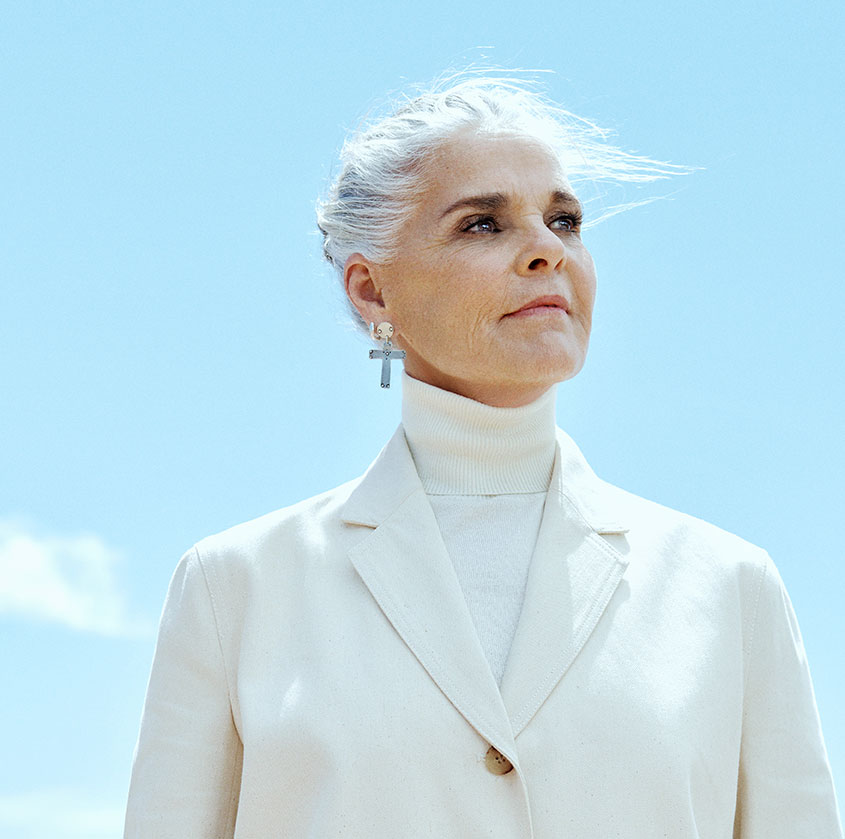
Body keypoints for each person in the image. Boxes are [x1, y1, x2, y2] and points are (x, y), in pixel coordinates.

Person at [124, 75, 842, 838]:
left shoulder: (729, 588)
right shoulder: (234, 588)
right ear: (371, 292)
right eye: (481, 225)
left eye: (564, 220)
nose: (545, 250)